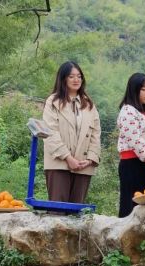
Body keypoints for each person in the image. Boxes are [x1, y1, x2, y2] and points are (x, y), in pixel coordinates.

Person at [42, 61, 101, 204]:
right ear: (63, 79)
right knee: (58, 211)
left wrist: (91, 159)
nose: (76, 80)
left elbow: (96, 134)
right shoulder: (53, 101)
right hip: (59, 163)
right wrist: (68, 158)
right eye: (71, 77)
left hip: (83, 165)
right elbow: (50, 132)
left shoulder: (89, 104)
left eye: (79, 76)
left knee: (77, 213)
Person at [117, 72, 145, 217]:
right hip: (132, 164)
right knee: (131, 206)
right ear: (133, 89)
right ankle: (125, 239)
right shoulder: (127, 111)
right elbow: (135, 140)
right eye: (143, 89)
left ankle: (144, 239)